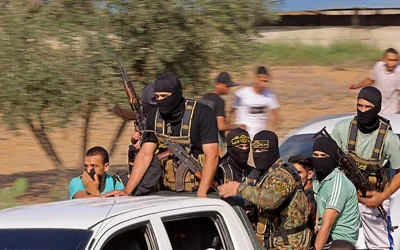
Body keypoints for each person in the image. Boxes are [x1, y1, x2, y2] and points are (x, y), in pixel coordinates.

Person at [104, 73, 219, 198]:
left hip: (202, 190)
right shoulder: (155, 116)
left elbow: (212, 155)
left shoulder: (202, 113)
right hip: (168, 191)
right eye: (157, 97)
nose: (160, 100)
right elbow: (145, 154)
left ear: (176, 94)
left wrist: (202, 193)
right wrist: (127, 191)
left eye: (164, 96)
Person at [331, 86, 400, 249]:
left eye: (367, 107)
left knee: (380, 246)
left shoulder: (389, 139)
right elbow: (327, 159)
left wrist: (382, 197)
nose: (362, 111)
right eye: (359, 105)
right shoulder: (343, 128)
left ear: (377, 108)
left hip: (372, 200)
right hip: (344, 199)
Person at [218, 130, 310, 249]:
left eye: (262, 150)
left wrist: (238, 188)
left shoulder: (281, 176)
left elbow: (271, 200)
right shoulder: (267, 174)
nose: (257, 154)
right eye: (255, 150)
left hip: (288, 245)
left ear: (272, 151)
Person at [311, 137, 360, 250]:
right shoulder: (318, 178)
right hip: (325, 237)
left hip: (340, 241)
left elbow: (327, 225)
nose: (318, 159)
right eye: (315, 155)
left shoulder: (338, 183)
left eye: (323, 156)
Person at [201, 72, 245, 156]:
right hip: (215, 142)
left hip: (202, 140)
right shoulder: (219, 101)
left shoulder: (204, 97)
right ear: (218, 84)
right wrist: (238, 126)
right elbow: (220, 126)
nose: (228, 89)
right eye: (226, 86)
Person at [231, 66, 280, 139]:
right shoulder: (242, 93)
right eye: (262, 81)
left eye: (266, 81)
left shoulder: (270, 95)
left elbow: (276, 116)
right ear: (256, 79)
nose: (264, 84)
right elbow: (231, 112)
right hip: (243, 137)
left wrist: (271, 132)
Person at [349, 48, 400, 114]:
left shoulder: (398, 71)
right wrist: (357, 85)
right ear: (384, 59)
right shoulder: (378, 66)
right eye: (390, 60)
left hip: (391, 110)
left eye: (395, 60)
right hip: (375, 106)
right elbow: (371, 79)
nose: (393, 63)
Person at [288, 154, 316, 246]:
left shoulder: (312, 198)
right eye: (292, 172)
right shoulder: (296, 192)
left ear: (310, 174)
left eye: (299, 172)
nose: (294, 176)